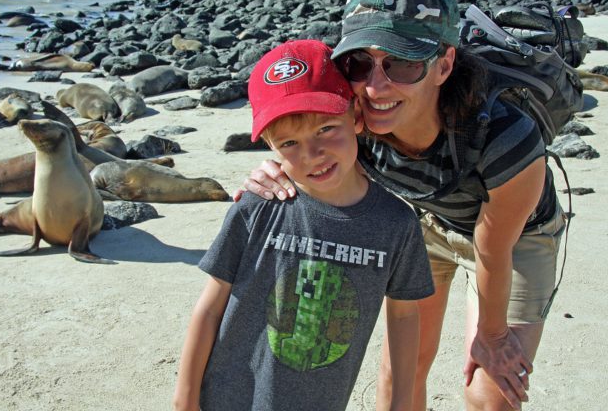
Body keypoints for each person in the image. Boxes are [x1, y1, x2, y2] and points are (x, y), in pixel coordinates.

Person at [239, 0, 567, 411]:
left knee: (490, 393)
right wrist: (275, 175)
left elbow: (493, 249)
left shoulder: (505, 136)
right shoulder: (354, 120)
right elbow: (307, 153)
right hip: (424, 222)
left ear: (444, 65)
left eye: (404, 63)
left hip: (514, 238)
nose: (376, 87)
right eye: (359, 63)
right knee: (400, 375)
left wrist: (492, 337)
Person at [173, 39, 434, 411]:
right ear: (270, 145)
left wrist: (402, 403)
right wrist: (184, 399)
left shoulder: (397, 224)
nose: (312, 154)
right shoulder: (256, 207)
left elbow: (405, 316)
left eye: (326, 129)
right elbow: (210, 308)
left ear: (355, 116)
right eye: (290, 142)